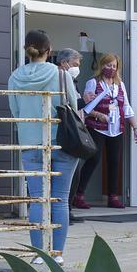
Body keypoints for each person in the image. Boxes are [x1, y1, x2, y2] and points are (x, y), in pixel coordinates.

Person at [7, 30, 81, 264]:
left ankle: (39, 255)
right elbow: (72, 103)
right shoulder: (60, 75)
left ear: (27, 51)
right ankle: (56, 254)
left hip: (30, 143)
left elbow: (15, 112)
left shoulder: (15, 77)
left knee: (38, 198)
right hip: (61, 142)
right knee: (59, 198)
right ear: (49, 51)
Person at [74, 53, 137, 210]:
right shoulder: (93, 83)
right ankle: (78, 195)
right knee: (93, 160)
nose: (111, 68)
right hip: (97, 127)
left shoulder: (120, 85)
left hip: (116, 128)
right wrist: (99, 115)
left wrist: (135, 129)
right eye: (108, 65)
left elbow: (127, 107)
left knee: (114, 162)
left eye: (114, 66)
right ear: (102, 66)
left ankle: (113, 197)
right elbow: (85, 107)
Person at [55, 48, 85, 225]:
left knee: (76, 174)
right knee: (68, 175)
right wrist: (87, 100)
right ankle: (62, 211)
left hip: (74, 130)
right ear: (65, 62)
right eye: (75, 64)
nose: (77, 67)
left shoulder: (73, 80)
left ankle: (68, 210)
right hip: (65, 132)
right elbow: (69, 104)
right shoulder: (59, 77)